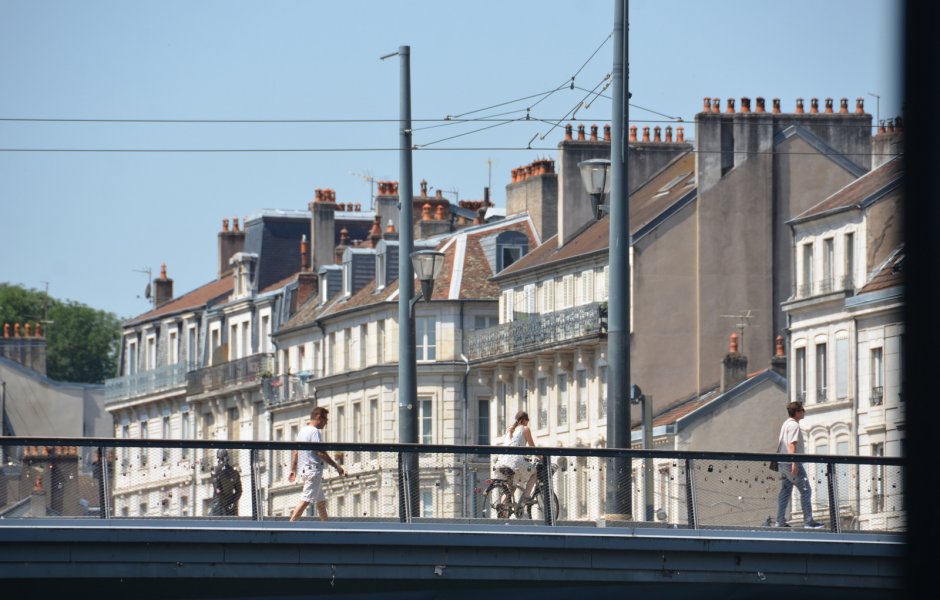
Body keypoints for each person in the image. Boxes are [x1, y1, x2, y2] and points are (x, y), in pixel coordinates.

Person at [289, 407, 346, 521]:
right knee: (305, 501)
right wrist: (336, 466)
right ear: (319, 417)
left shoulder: (302, 431)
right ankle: (288, 528)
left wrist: (293, 469)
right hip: (313, 471)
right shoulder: (315, 432)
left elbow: (296, 452)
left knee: (321, 503)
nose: (327, 422)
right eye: (326, 419)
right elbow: (320, 452)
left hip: (305, 470)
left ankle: (326, 528)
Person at [775, 401, 824, 529]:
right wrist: (794, 463)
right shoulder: (794, 426)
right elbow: (792, 444)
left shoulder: (786, 424)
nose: (804, 412)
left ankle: (779, 521)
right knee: (806, 490)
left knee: (785, 491)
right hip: (790, 463)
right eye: (802, 409)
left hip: (782, 463)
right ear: (797, 412)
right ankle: (808, 521)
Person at [494, 411, 538, 505]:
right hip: (514, 461)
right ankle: (526, 497)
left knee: (510, 487)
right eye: (527, 420)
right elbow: (532, 447)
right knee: (535, 473)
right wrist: (541, 457)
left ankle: (502, 509)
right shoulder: (525, 429)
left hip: (502, 462)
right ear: (523, 420)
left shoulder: (509, 429)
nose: (528, 422)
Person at [211, 449, 243, 516]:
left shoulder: (215, 470)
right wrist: (231, 501)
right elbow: (239, 491)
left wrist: (224, 502)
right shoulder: (234, 472)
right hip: (232, 506)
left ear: (218, 458)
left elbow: (217, 489)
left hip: (219, 505)